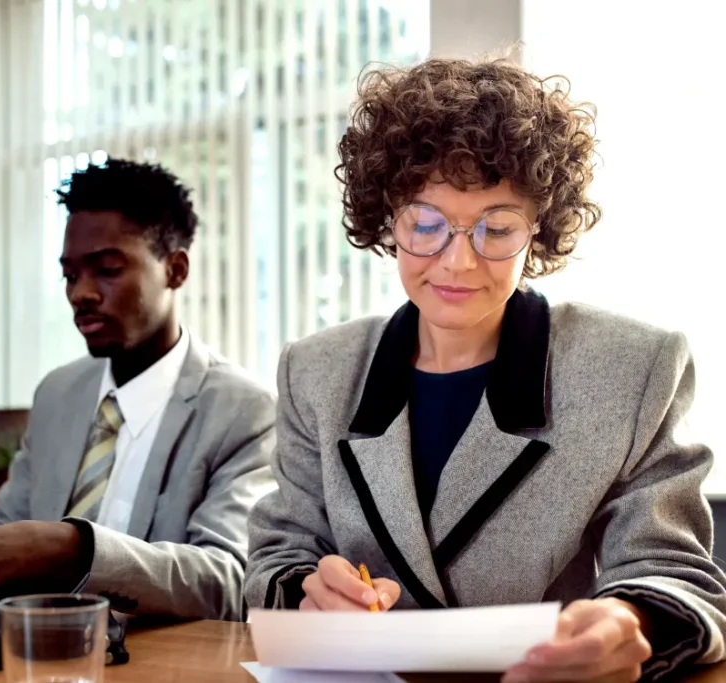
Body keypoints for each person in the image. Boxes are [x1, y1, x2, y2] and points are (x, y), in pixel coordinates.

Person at [244, 59, 726, 682]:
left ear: (539, 230)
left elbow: (674, 572)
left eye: (497, 228)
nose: (459, 263)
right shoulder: (316, 372)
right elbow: (278, 553)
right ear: (387, 219)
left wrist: (629, 623)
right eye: (426, 224)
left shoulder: (634, 367)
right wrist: (310, 589)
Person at [0, 159, 276, 622]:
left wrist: (80, 552)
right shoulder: (57, 394)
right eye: (69, 275)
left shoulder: (244, 409)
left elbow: (229, 582)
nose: (80, 293)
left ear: (176, 270)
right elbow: (1, 527)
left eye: (106, 269)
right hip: (34, 651)